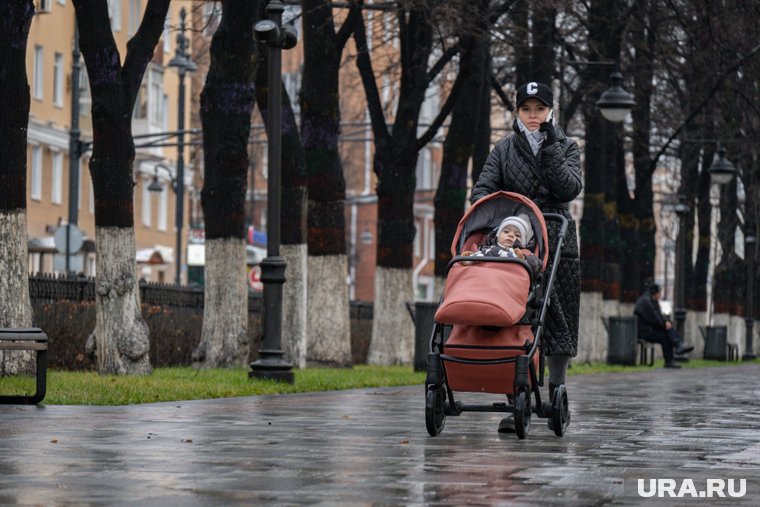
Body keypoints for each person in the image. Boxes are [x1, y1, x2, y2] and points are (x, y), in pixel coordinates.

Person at [470, 81, 582, 432]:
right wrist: (500, 213)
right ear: (517, 112)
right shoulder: (503, 149)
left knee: (558, 314)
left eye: (539, 109)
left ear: (550, 111)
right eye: (526, 109)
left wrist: (549, 150)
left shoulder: (566, 146)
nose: (533, 116)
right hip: (515, 237)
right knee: (515, 312)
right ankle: (513, 394)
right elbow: (482, 189)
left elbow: (570, 189)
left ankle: (556, 388)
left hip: (557, 236)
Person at [633, 283, 694, 368]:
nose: (660, 295)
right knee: (665, 336)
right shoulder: (645, 302)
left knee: (667, 332)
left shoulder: (652, 301)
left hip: (650, 329)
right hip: (644, 331)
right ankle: (677, 347)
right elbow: (653, 318)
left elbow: (659, 315)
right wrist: (664, 324)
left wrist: (666, 321)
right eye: (659, 293)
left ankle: (677, 348)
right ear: (655, 293)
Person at [464, 214, 543, 275]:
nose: (511, 235)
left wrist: (524, 258)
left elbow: (538, 265)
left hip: (507, 278)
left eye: (518, 235)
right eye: (506, 232)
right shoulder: (486, 248)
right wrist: (470, 259)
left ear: (523, 243)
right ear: (497, 235)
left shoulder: (524, 252)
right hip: (483, 274)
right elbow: (477, 256)